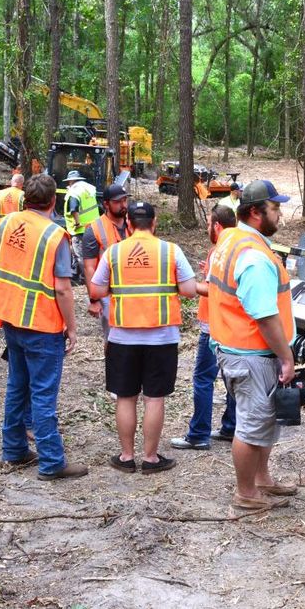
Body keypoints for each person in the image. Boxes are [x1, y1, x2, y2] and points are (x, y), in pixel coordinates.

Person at [0, 174, 87, 481]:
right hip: (42, 325)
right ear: (53, 202)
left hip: (11, 319)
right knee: (43, 395)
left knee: (17, 387)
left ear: (24, 199)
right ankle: (51, 462)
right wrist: (72, 329)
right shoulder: (54, 234)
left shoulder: (6, 223)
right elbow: (62, 289)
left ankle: (15, 450)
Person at [88, 201, 196, 474]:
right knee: (154, 398)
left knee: (125, 397)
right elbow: (189, 289)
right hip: (161, 338)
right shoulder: (171, 251)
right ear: (154, 222)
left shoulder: (113, 252)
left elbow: (97, 290)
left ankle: (126, 456)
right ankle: (150, 458)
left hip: (122, 337)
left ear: (128, 224)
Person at [208, 180, 297, 511]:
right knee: (252, 423)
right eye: (275, 208)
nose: (280, 214)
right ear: (257, 212)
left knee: (262, 420)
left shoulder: (231, 237)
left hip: (236, 348)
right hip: (251, 354)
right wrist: (286, 357)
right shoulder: (254, 257)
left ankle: (261, 480)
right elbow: (264, 315)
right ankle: (246, 494)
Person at [170, 204, 239, 450]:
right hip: (232, 326)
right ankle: (231, 427)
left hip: (213, 327)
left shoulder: (218, 251)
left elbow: (212, 290)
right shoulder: (236, 249)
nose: (208, 228)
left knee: (202, 379)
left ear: (217, 226)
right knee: (232, 378)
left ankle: (199, 433)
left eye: (209, 224)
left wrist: (185, 285)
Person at [83, 183, 132, 334]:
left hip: (134, 290)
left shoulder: (134, 223)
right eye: (117, 202)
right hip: (108, 294)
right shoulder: (94, 229)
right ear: (106, 204)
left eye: (124, 200)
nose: (123, 205)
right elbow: (89, 267)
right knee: (113, 338)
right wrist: (94, 299)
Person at [62, 170, 100, 283]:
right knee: (90, 254)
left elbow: (74, 209)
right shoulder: (88, 190)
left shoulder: (74, 192)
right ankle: (81, 275)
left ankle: (85, 278)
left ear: (71, 181)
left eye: (69, 182)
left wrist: (77, 223)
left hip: (80, 229)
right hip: (93, 227)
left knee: (80, 255)